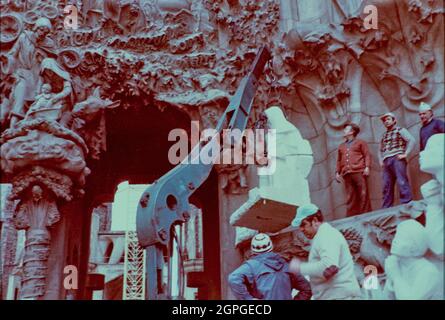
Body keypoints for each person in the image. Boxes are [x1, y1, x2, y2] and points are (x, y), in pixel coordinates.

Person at [289, 204, 362, 300]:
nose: (301, 229)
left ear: (315, 220)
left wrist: (300, 268)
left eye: (303, 224)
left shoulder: (326, 235)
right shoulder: (323, 235)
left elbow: (329, 267)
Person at [0, 17, 55, 127]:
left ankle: (28, 125)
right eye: (41, 30)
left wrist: (42, 60)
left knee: (38, 100)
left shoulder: (49, 44)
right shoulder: (24, 37)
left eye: (46, 32)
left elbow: (51, 63)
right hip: (22, 73)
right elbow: (13, 54)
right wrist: (7, 60)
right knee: (20, 92)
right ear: (36, 28)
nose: (42, 33)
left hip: (37, 77)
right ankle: (13, 125)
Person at [228, 233, 312, 300]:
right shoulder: (287, 265)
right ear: (271, 247)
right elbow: (308, 289)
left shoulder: (251, 266)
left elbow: (233, 278)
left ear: (253, 250)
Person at [383, 220, 442, 300]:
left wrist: (395, 276)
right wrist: (391, 279)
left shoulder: (429, 272)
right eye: (396, 236)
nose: (395, 240)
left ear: (414, 248)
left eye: (401, 238)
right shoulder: (397, 265)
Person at [378, 112, 415, 208]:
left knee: (402, 181)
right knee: (387, 184)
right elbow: (380, 149)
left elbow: (411, 140)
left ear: (394, 120)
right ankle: (386, 207)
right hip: (386, 160)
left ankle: (407, 203)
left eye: (388, 119)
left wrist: (405, 154)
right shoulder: (383, 135)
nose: (386, 122)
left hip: (397, 158)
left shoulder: (400, 130)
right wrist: (380, 160)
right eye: (385, 120)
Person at [335, 123, 372, 216]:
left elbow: (366, 155)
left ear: (352, 132)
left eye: (346, 129)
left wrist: (367, 167)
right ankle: (351, 216)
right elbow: (339, 160)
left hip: (359, 171)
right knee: (350, 195)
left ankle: (365, 214)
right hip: (346, 173)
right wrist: (337, 172)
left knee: (363, 193)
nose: (344, 131)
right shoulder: (341, 146)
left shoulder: (360, 142)